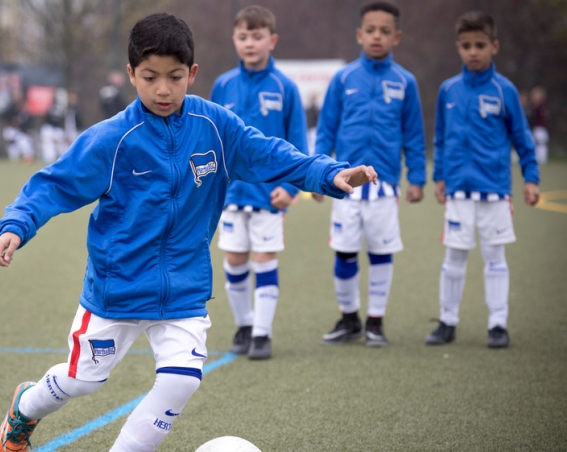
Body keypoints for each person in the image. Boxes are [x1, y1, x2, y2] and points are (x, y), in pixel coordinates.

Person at [0, 12, 377, 452]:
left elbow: (272, 155)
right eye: (150, 77)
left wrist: (329, 174)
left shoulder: (214, 126)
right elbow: (54, 185)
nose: (163, 88)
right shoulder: (112, 138)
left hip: (183, 293)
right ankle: (26, 407)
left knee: (181, 379)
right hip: (117, 291)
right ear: (131, 75)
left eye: (175, 76)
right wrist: (16, 226)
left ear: (192, 73)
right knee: (83, 380)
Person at [314, 1, 426, 348]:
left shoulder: (405, 82)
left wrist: (418, 177)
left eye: (385, 31)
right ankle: (350, 319)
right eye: (371, 30)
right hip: (344, 184)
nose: (377, 37)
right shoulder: (344, 78)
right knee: (344, 252)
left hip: (385, 187)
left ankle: (376, 321)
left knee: (380, 252)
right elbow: (326, 129)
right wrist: (318, 173)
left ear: (397, 37)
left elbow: (414, 134)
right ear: (360, 35)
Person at [426, 11, 540, 348]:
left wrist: (530, 178)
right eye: (466, 46)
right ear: (458, 48)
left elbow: (523, 139)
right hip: (459, 193)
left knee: (494, 257)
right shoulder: (448, 90)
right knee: (454, 258)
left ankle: (498, 324)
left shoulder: (505, 91)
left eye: (480, 45)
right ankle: (447, 321)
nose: (472, 52)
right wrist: (440, 176)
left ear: (494, 46)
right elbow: (441, 140)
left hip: (494, 191)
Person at [210, 5, 309, 359]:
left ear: (272, 40)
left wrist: (294, 186)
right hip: (232, 193)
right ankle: (245, 325)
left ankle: (263, 335)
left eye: (257, 36)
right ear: (234, 40)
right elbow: (212, 139)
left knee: (264, 258)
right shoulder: (223, 85)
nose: (249, 43)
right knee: (234, 261)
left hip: (270, 193)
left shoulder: (285, 87)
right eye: (242, 37)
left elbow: (298, 142)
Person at [528, 86, 549, 165]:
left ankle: (542, 159)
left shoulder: (539, 107)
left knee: (540, 144)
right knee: (538, 144)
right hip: (539, 128)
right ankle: (539, 159)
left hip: (540, 127)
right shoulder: (541, 106)